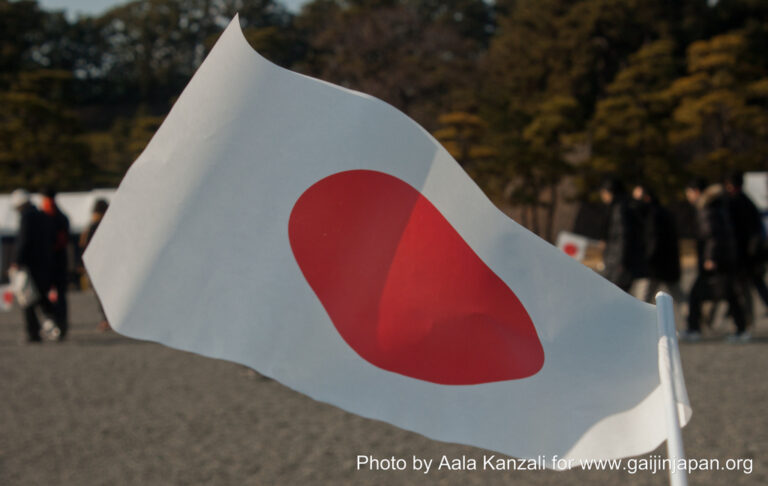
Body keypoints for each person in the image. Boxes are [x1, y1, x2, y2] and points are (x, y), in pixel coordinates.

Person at [683, 178, 748, 342]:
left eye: (689, 192)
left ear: (696, 191)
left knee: (696, 294)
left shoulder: (706, 209)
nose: (688, 196)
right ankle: (740, 329)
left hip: (715, 260)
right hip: (724, 258)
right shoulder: (717, 206)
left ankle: (694, 329)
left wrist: (710, 257)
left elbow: (712, 236)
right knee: (729, 294)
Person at [9, 189, 59, 342]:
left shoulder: (27, 217)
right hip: (44, 264)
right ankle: (53, 326)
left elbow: (24, 241)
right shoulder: (42, 215)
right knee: (43, 298)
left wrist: (18, 261)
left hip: (30, 266)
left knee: (28, 300)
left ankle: (33, 333)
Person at [725, 171, 768, 316]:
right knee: (756, 283)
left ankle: (743, 318)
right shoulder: (748, 201)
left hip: (744, 252)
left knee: (744, 287)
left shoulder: (734, 203)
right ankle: (741, 316)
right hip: (752, 252)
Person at [631, 184, 683, 304]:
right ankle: (693, 320)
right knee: (679, 297)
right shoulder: (663, 212)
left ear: (647, 198)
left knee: (642, 301)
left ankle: (640, 322)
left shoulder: (651, 215)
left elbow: (653, 240)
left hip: (654, 266)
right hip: (668, 264)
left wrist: (645, 261)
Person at [599, 179, 645, 292]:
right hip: (620, 260)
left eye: (603, 192)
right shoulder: (623, 205)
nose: (602, 196)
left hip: (618, 262)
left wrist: (620, 262)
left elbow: (622, 236)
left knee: (614, 294)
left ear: (610, 192)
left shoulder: (619, 209)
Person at [41, 188, 71, 338]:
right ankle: (62, 324)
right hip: (61, 262)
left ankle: (54, 323)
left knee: (47, 296)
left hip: (49, 262)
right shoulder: (62, 216)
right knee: (61, 296)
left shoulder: (46, 215)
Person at [80, 198, 110, 331]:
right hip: (107, 264)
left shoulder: (93, 226)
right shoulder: (109, 224)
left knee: (101, 296)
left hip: (97, 266)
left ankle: (106, 320)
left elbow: (86, 246)